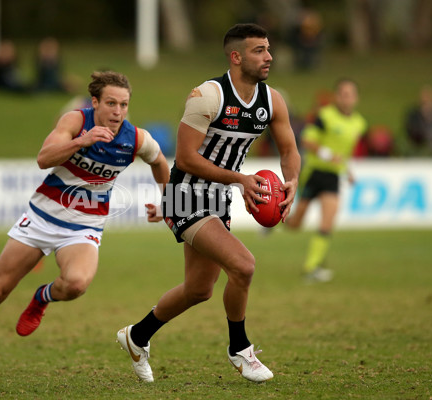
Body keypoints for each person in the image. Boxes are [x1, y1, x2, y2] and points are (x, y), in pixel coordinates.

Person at [0, 71, 170, 374]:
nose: (117, 112)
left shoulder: (135, 139)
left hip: (84, 225)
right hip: (42, 218)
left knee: (76, 284)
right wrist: (83, 140)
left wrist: (168, 202)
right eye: (111, 103)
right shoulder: (75, 122)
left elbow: (159, 162)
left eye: (124, 105)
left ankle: (42, 297)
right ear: (95, 102)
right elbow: (44, 158)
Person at [116, 23, 300, 383]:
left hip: (218, 196)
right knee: (244, 266)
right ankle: (240, 350)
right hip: (184, 193)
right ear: (236, 57)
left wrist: (292, 180)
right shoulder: (207, 95)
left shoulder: (272, 100)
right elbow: (184, 158)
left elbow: (290, 149)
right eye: (259, 50)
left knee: (199, 289)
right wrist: (241, 179)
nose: (269, 57)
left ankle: (136, 336)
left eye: (268, 49)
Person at [286, 78, 367, 282]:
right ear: (337, 96)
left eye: (350, 94)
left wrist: (347, 170)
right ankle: (273, 223)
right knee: (296, 223)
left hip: (332, 176)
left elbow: (345, 151)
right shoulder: (325, 116)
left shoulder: (359, 123)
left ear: (356, 98)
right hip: (314, 173)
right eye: (343, 94)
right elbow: (306, 139)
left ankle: (311, 267)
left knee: (327, 222)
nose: (346, 98)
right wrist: (326, 153)